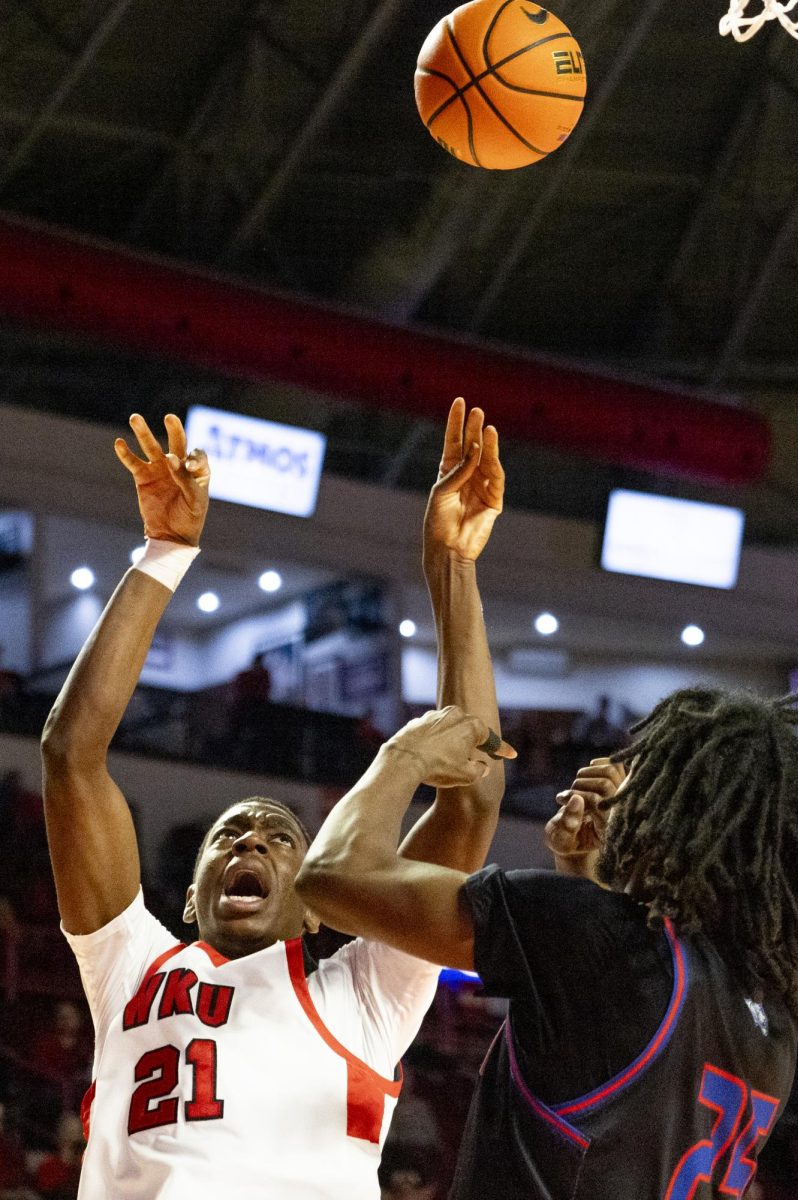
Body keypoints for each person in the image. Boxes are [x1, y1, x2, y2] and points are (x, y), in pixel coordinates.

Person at [40, 400, 510, 1199]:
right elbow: (70, 753)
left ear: (322, 902)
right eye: (228, 835)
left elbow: (468, 804)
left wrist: (453, 570)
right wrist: (162, 551)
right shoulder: (130, 966)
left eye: (280, 837)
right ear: (188, 898)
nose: (250, 843)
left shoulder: (365, 987)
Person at [298, 663, 798, 1199]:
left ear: (672, 812)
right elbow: (604, 1090)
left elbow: (332, 877)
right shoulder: (770, 1022)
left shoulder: (602, 941)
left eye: (644, 776)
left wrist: (402, 754)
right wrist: (589, 875)